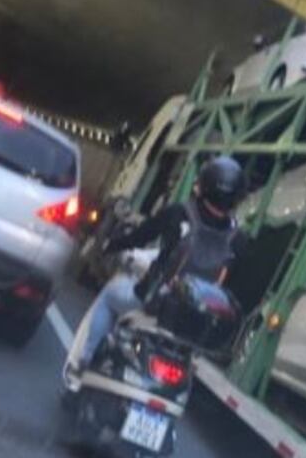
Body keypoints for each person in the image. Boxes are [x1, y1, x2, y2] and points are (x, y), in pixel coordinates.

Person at [63, 155, 246, 390]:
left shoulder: (179, 213)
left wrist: (110, 245)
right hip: (194, 325)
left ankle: (84, 361)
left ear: (205, 185)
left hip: (153, 304)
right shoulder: (238, 239)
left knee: (110, 295)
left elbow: (140, 237)